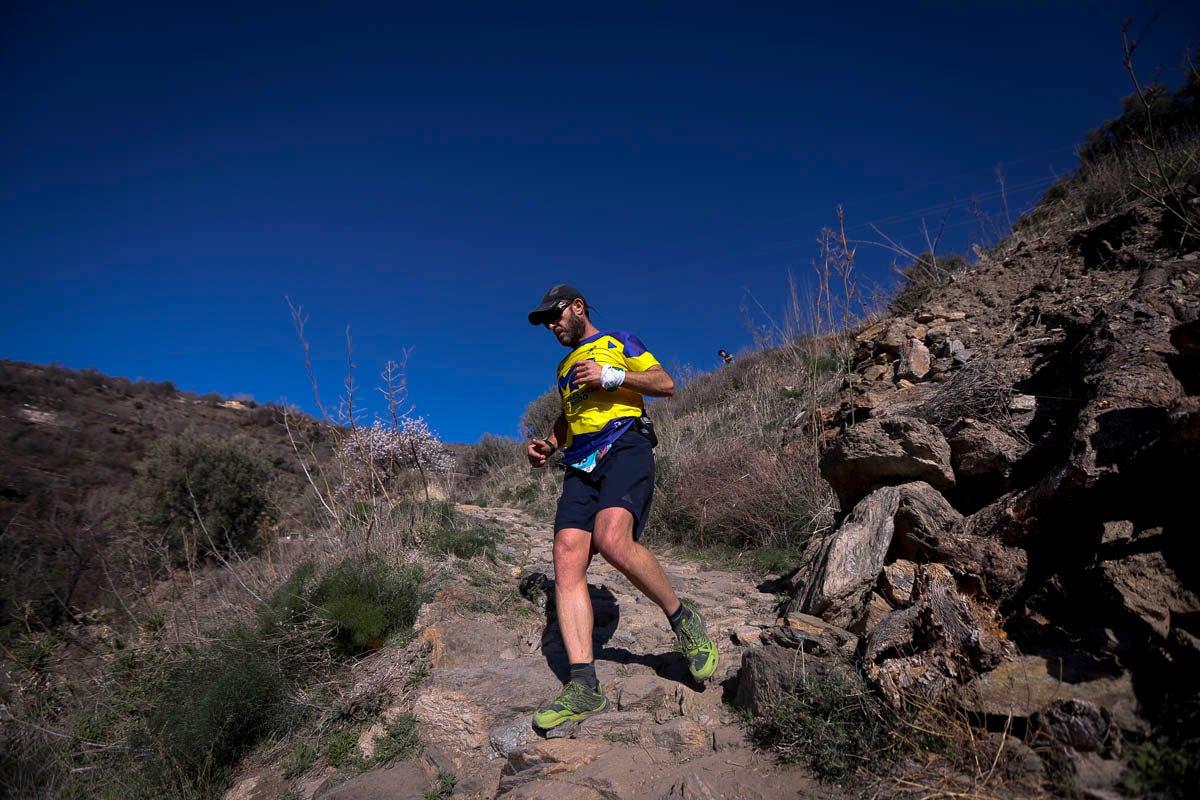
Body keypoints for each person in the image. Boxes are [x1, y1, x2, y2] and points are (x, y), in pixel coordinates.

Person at [525, 284, 719, 730]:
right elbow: (570, 413)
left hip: (625, 445)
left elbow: (665, 384)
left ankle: (683, 619)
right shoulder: (563, 367)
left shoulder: (619, 342)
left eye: (555, 316)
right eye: (545, 323)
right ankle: (583, 687)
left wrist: (612, 376)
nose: (552, 325)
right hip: (579, 464)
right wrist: (551, 444)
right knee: (566, 557)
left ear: (577, 307)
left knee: (613, 539)